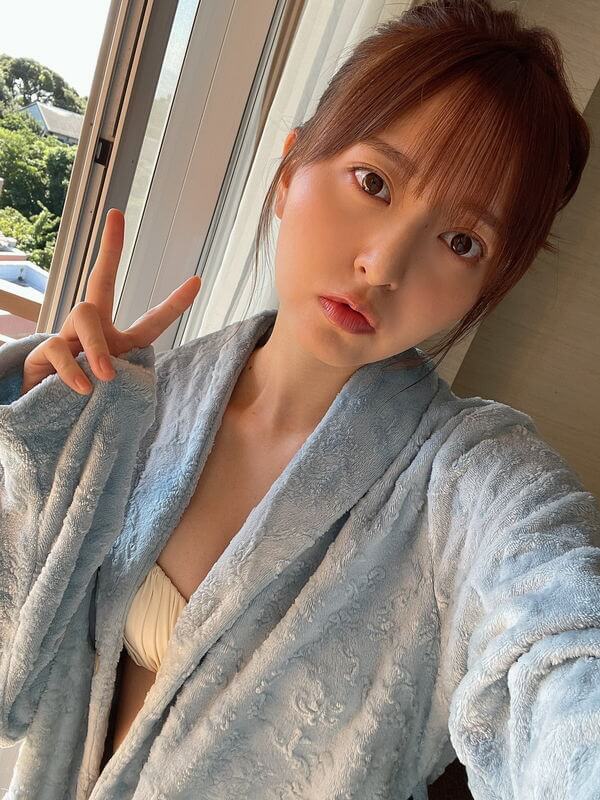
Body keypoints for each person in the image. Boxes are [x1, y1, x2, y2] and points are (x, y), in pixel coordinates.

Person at [1, 1, 598, 799]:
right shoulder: (140, 409)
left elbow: (559, 638)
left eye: (462, 242)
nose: (384, 264)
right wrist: (35, 418)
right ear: (288, 176)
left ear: (485, 288)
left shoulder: (468, 483)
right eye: (373, 181)